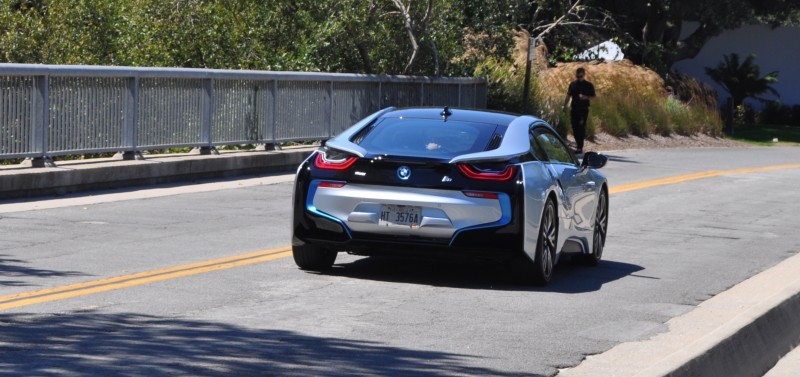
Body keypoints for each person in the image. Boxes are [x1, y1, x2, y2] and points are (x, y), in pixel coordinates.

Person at [563, 67, 596, 154]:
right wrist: (565, 105)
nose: (579, 77)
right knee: (575, 128)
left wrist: (585, 97)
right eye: (578, 76)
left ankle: (579, 147)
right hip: (574, 109)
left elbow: (593, 97)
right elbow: (568, 95)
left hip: (583, 110)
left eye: (581, 76)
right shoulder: (573, 84)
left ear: (584, 75)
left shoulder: (589, 85)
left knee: (581, 127)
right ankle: (578, 145)